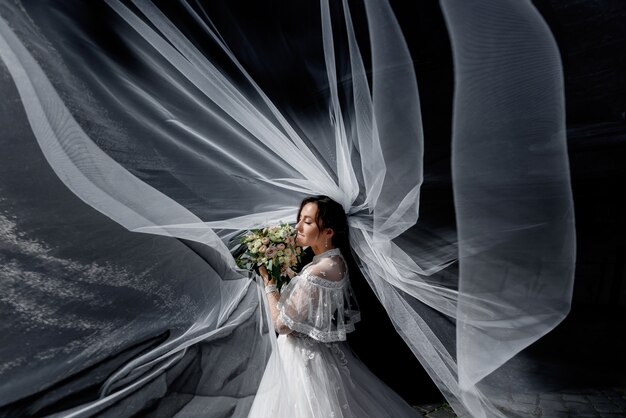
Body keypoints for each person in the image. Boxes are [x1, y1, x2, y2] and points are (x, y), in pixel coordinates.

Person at [248, 195, 419, 417]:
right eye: (300, 219)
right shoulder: (336, 262)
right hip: (319, 353)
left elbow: (282, 326)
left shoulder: (315, 272)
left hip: (301, 359)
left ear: (328, 232)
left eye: (307, 222)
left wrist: (270, 286)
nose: (298, 226)